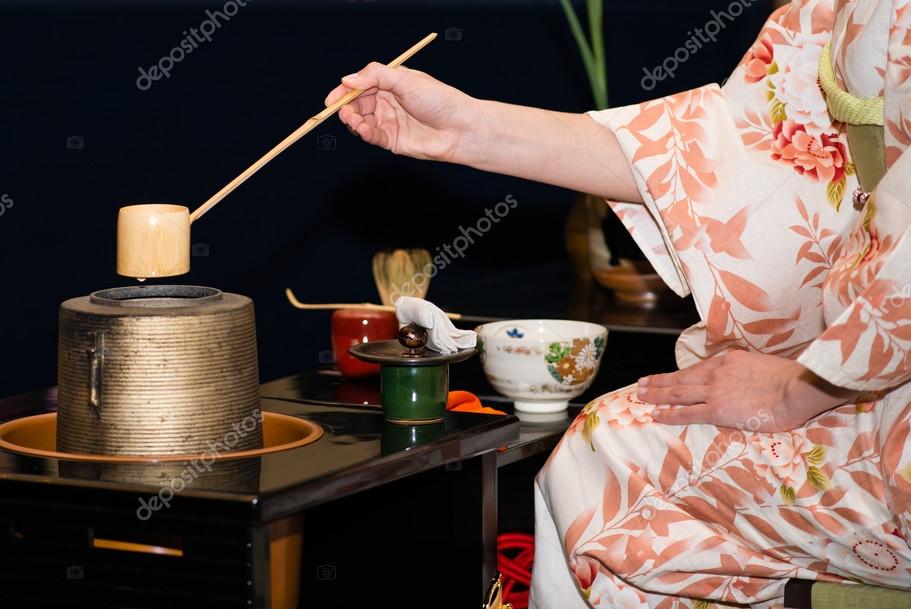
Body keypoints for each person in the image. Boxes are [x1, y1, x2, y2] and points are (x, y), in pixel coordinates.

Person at [326, 0, 911, 607]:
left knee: (613, 458)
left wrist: (800, 391)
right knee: (614, 439)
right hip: (874, 370)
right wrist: (463, 128)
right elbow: (729, 156)